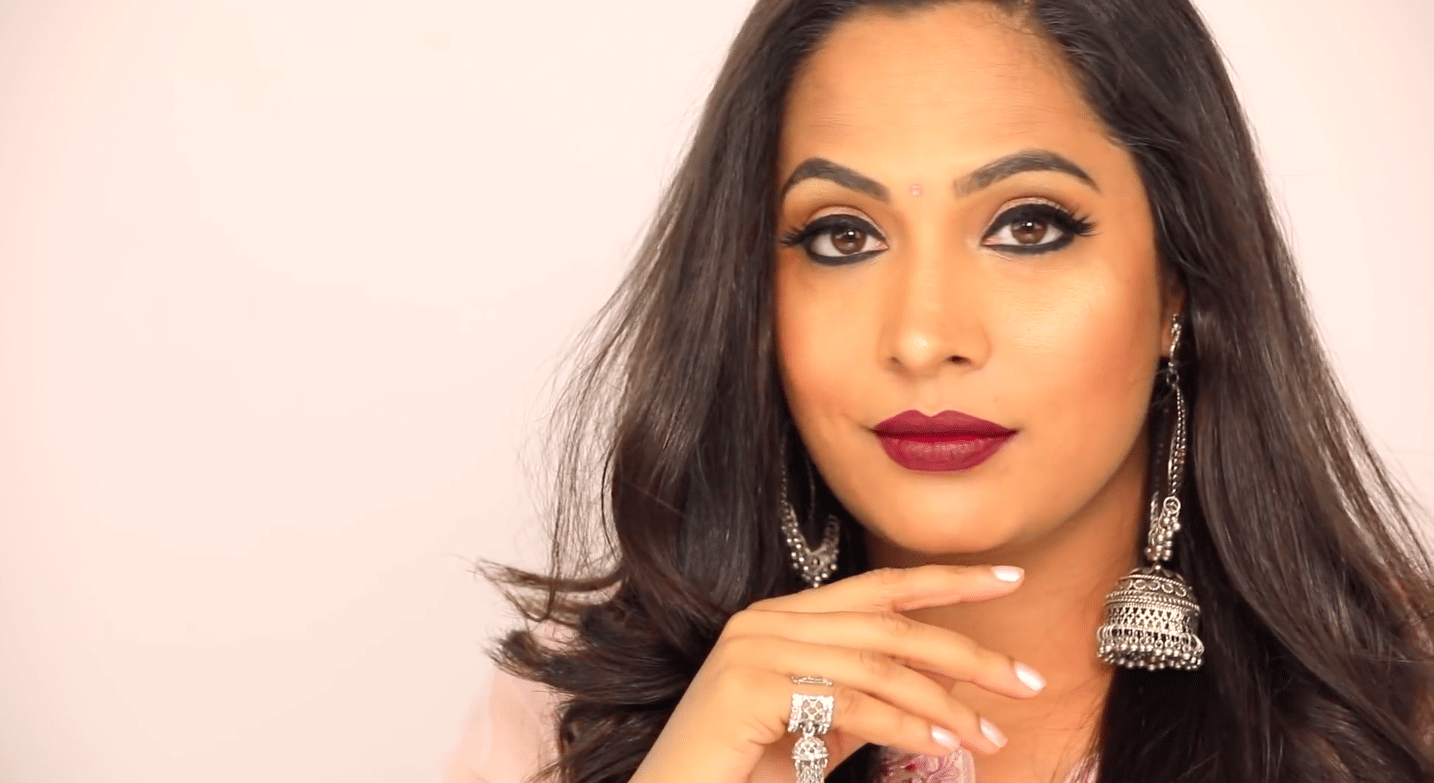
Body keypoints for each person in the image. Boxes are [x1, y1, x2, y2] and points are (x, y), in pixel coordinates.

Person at [445, 0, 1434, 781]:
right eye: (842, 236)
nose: (923, 338)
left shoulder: (1402, 711)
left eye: (1029, 227)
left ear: (1180, 279)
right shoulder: (577, 723)